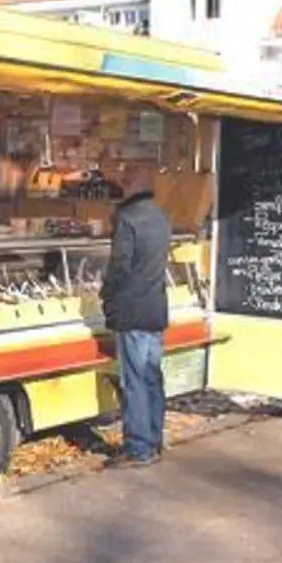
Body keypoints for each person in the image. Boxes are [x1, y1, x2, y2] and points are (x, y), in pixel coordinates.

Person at [99, 165, 172, 467]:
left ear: (129, 187)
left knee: (135, 382)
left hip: (132, 309)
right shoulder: (162, 216)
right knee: (152, 377)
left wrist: (105, 294)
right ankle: (154, 440)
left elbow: (120, 267)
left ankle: (139, 448)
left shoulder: (128, 219)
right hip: (155, 307)